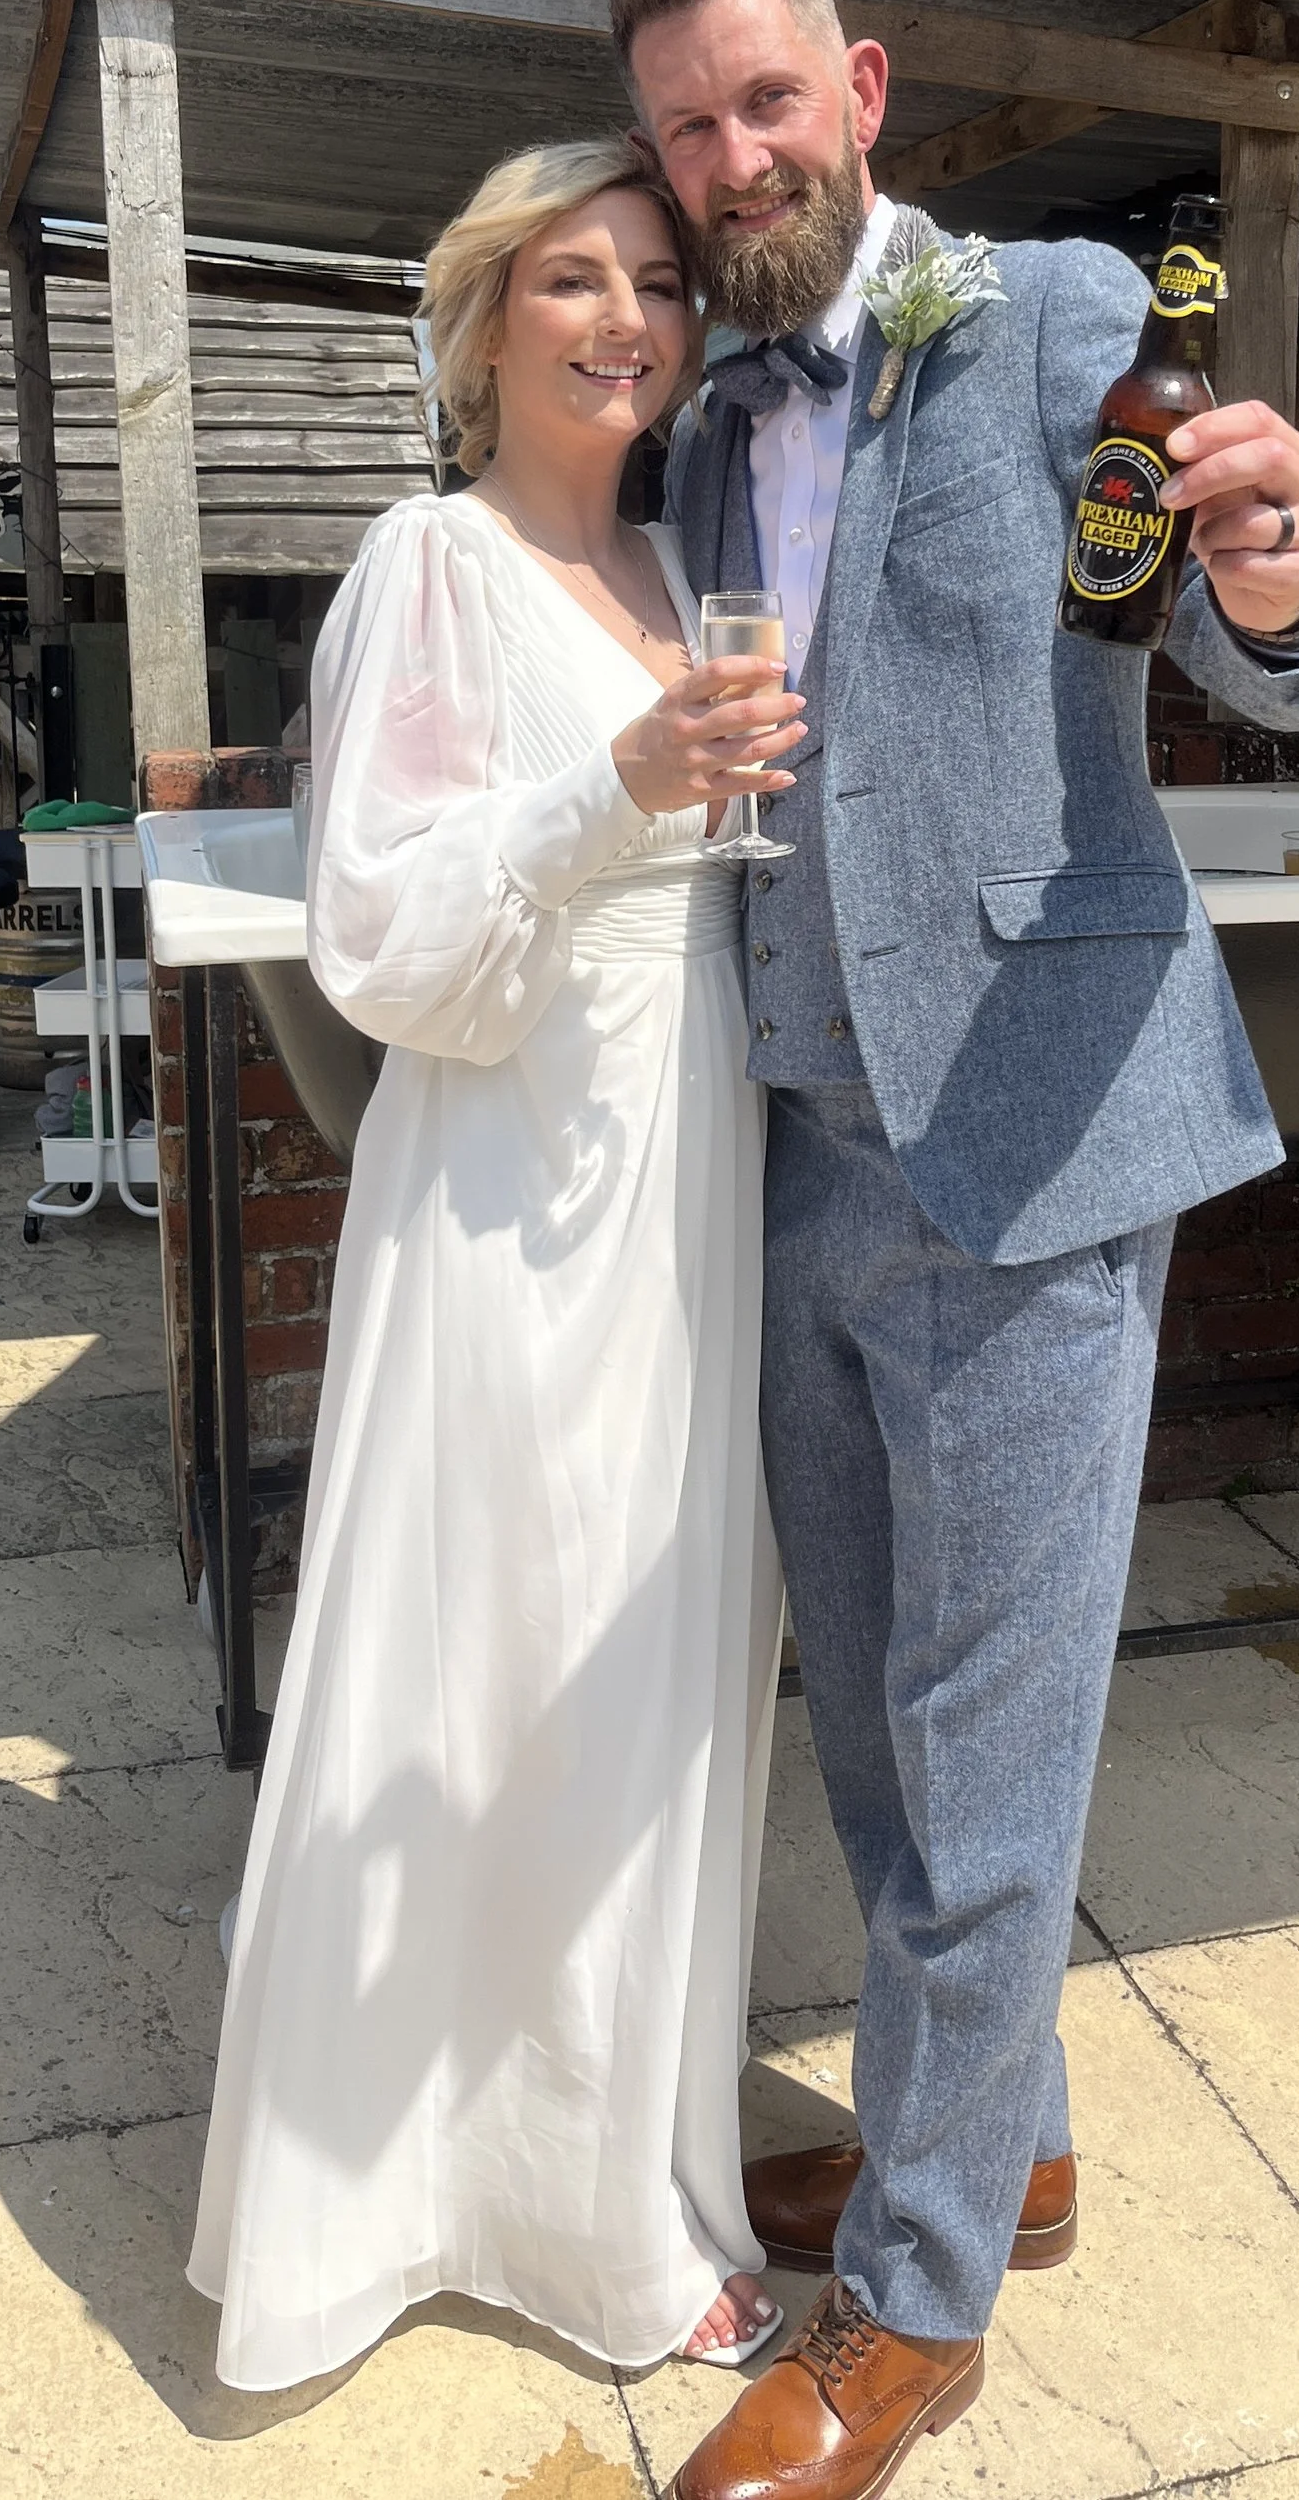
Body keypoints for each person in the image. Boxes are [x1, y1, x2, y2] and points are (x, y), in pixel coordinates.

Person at [620, 0, 1299, 2500]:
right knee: (875, 1717)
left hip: (1040, 1165)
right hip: (813, 1149)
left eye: (760, 103)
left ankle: (915, 2311)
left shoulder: (1052, 318)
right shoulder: (712, 425)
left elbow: (1258, 604)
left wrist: (1282, 580)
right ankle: (1006, 2136)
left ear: (860, 87)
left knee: (991, 1745)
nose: (729, 158)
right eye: (683, 128)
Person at [189, 136, 806, 2388]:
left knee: (655, 1683)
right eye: (572, 276)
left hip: (687, 1164)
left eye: (655, 278)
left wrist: (713, 788)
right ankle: (541, 2217)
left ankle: (616, 2148)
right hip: (515, 1187)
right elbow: (375, 938)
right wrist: (608, 790)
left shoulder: (678, 552)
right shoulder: (423, 565)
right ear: (484, 317)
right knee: (519, 1671)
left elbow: (698, 845)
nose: (623, 316)